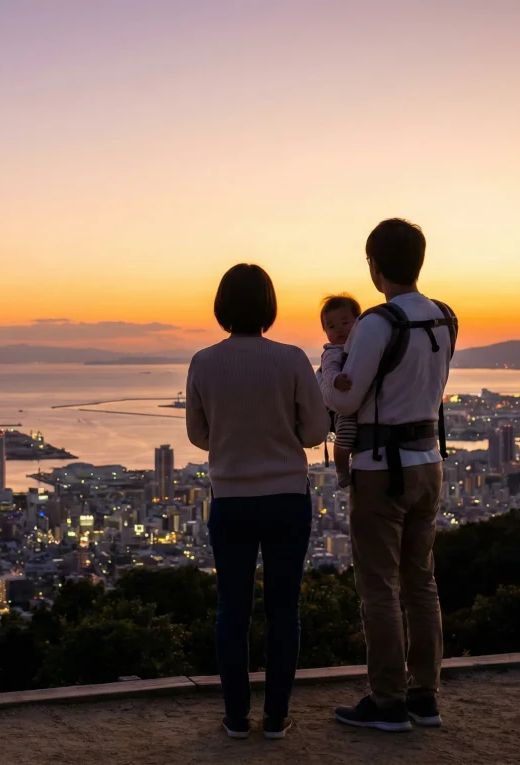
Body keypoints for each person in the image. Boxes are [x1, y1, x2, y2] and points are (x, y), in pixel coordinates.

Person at [318, 219, 455, 732]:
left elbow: (346, 397)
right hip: (428, 463)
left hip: (380, 470)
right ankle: (425, 695)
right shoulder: (445, 318)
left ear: (374, 266)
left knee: (378, 586)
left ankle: (387, 700)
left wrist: (327, 374)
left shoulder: (377, 323)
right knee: (422, 582)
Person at [186, 263, 330, 741]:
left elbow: (197, 435)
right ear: (269, 306)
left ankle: (234, 717)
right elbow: (315, 431)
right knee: (283, 609)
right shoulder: (291, 359)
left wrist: (236, 440)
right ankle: (275, 717)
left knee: (232, 608)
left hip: (230, 499)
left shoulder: (203, 362)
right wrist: (279, 433)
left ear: (222, 307)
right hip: (287, 497)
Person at [318, 294, 362, 488]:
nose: (339, 330)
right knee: (346, 433)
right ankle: (342, 469)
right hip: (345, 406)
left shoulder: (362, 347)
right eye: (331, 326)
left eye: (345, 322)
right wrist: (336, 379)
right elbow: (328, 370)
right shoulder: (333, 351)